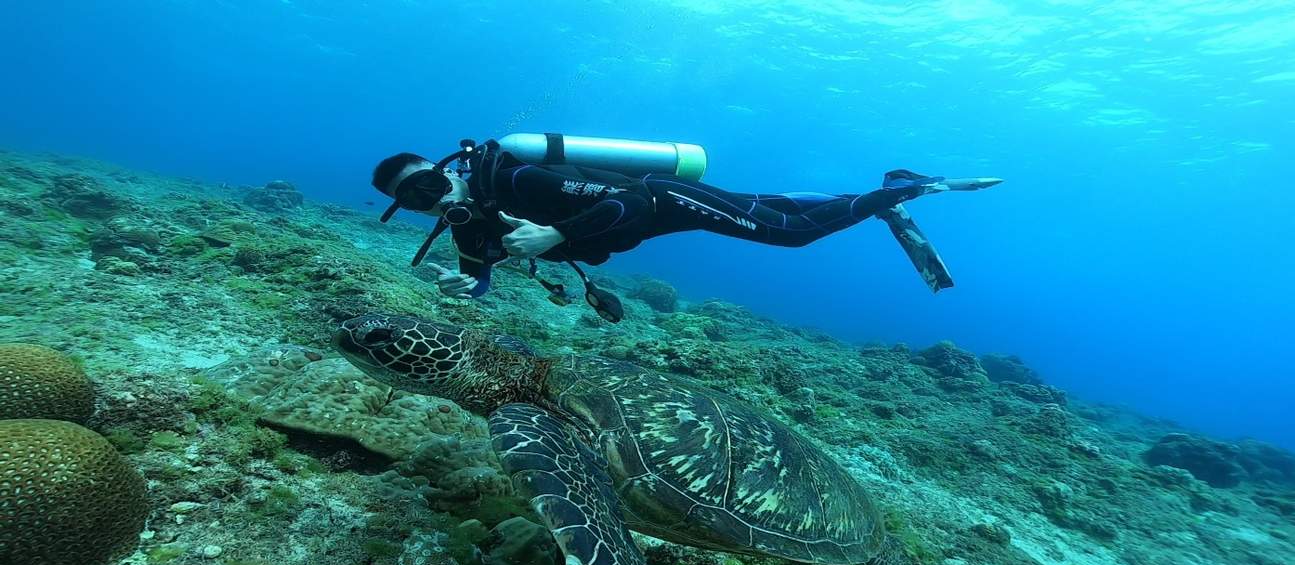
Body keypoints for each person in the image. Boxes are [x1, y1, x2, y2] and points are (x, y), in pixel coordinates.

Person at [371, 137, 1001, 318]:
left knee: (790, 234)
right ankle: (883, 188)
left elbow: (630, 204)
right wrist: (468, 288)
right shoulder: (466, 226)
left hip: (662, 198)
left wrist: (555, 235)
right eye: (415, 202)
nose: (432, 202)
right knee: (778, 210)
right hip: (662, 215)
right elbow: (478, 275)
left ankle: (902, 190)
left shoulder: (520, 181)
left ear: (446, 171)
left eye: (430, 184)